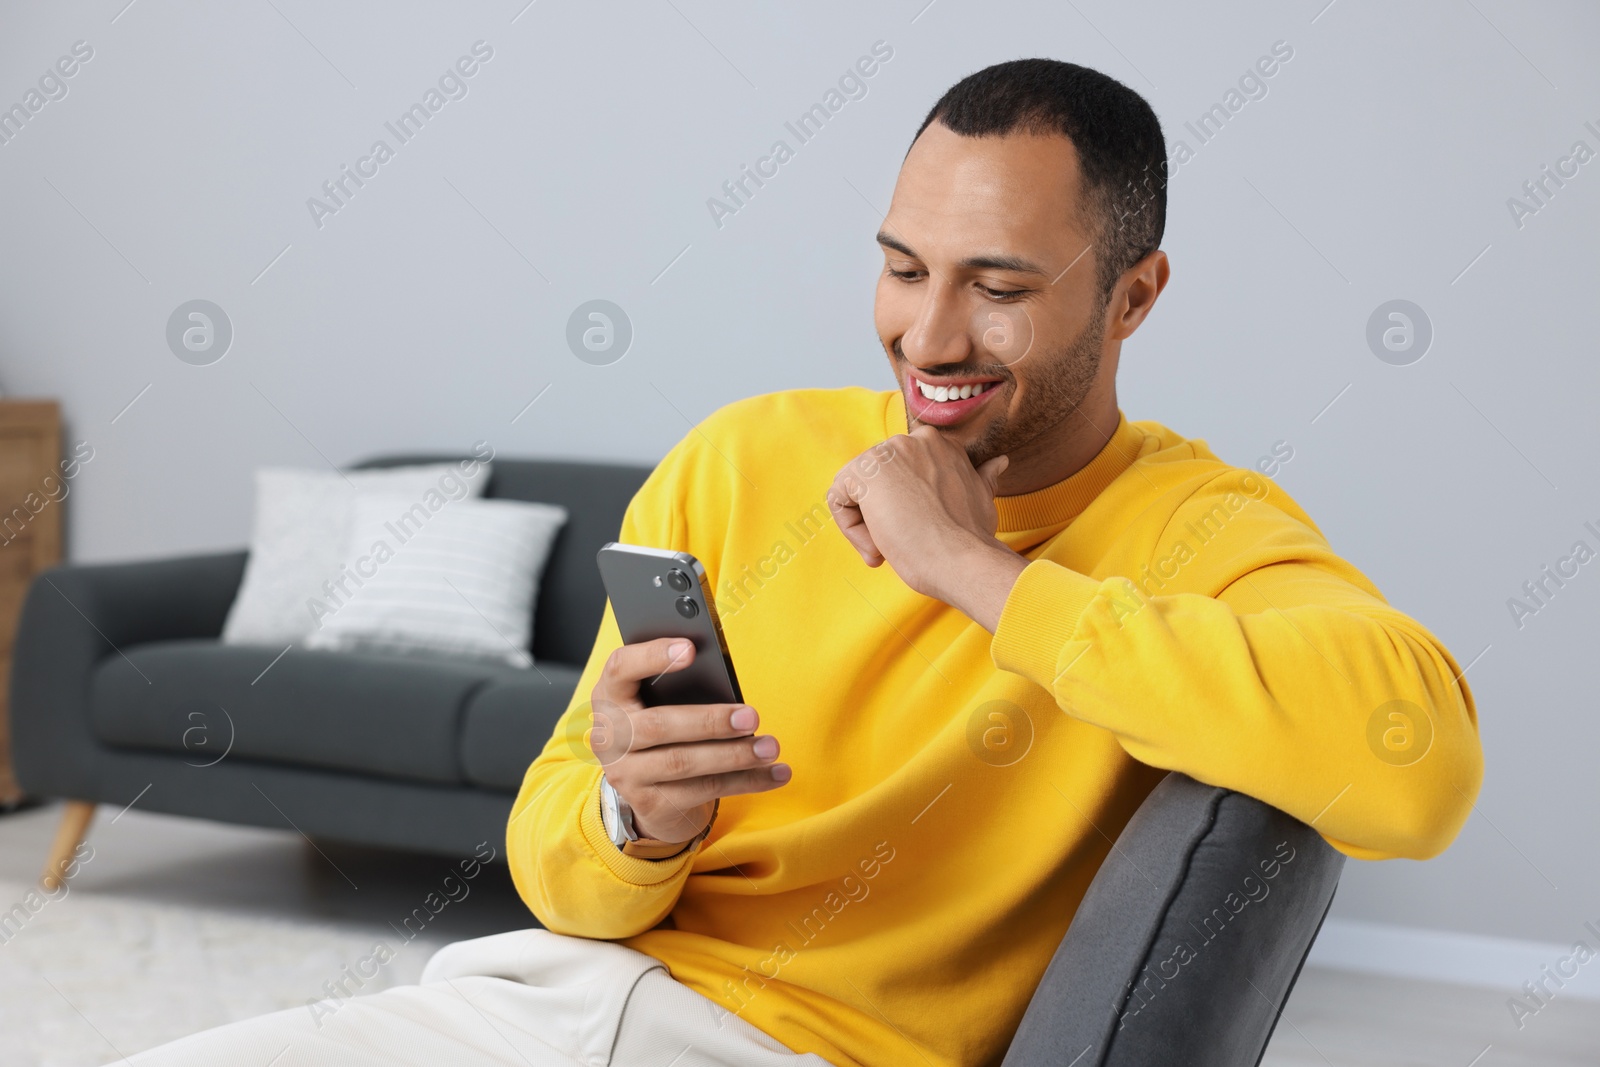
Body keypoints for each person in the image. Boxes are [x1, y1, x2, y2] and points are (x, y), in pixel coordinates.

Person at [126, 57, 1483, 1067]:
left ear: (1135, 295)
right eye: (903, 271)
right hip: (533, 1003)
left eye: (999, 289)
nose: (929, 338)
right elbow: (554, 860)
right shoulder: (739, 457)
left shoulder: (1201, 529)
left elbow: (1420, 771)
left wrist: (968, 567)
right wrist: (634, 822)